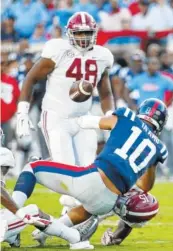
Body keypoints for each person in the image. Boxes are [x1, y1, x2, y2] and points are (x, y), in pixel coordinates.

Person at [15, 12, 114, 248]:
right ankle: (53, 226)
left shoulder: (102, 56)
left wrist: (110, 116)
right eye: (79, 33)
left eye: (87, 33)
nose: (83, 38)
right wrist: (22, 111)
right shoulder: (57, 50)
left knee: (87, 176)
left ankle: (58, 226)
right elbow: (31, 78)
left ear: (95, 34)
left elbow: (107, 92)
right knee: (69, 175)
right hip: (56, 117)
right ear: (70, 33)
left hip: (84, 120)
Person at [12, 98, 168, 247]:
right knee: (84, 210)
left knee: (32, 168)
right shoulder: (159, 149)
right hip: (108, 202)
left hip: (92, 179)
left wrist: (63, 122)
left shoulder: (127, 116)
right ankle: (44, 234)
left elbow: (87, 122)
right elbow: (145, 186)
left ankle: (11, 217)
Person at [0, 129, 49, 245]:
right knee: (33, 211)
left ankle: (12, 236)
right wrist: (20, 214)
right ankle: (73, 235)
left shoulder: (3, 155)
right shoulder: (4, 155)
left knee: (18, 212)